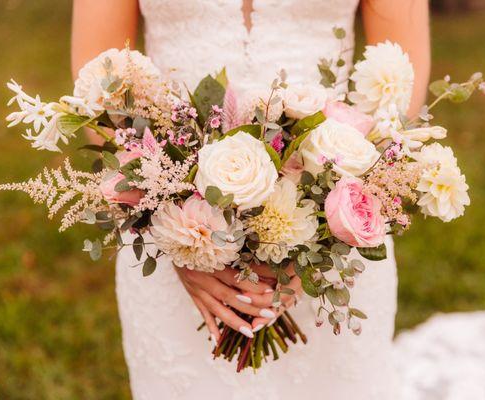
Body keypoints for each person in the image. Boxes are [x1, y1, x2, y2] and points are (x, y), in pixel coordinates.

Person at [72, 1, 430, 398]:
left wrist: (326, 234)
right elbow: (96, 85)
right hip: (169, 243)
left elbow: (402, 81)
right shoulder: (171, 232)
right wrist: (177, 230)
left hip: (338, 239)